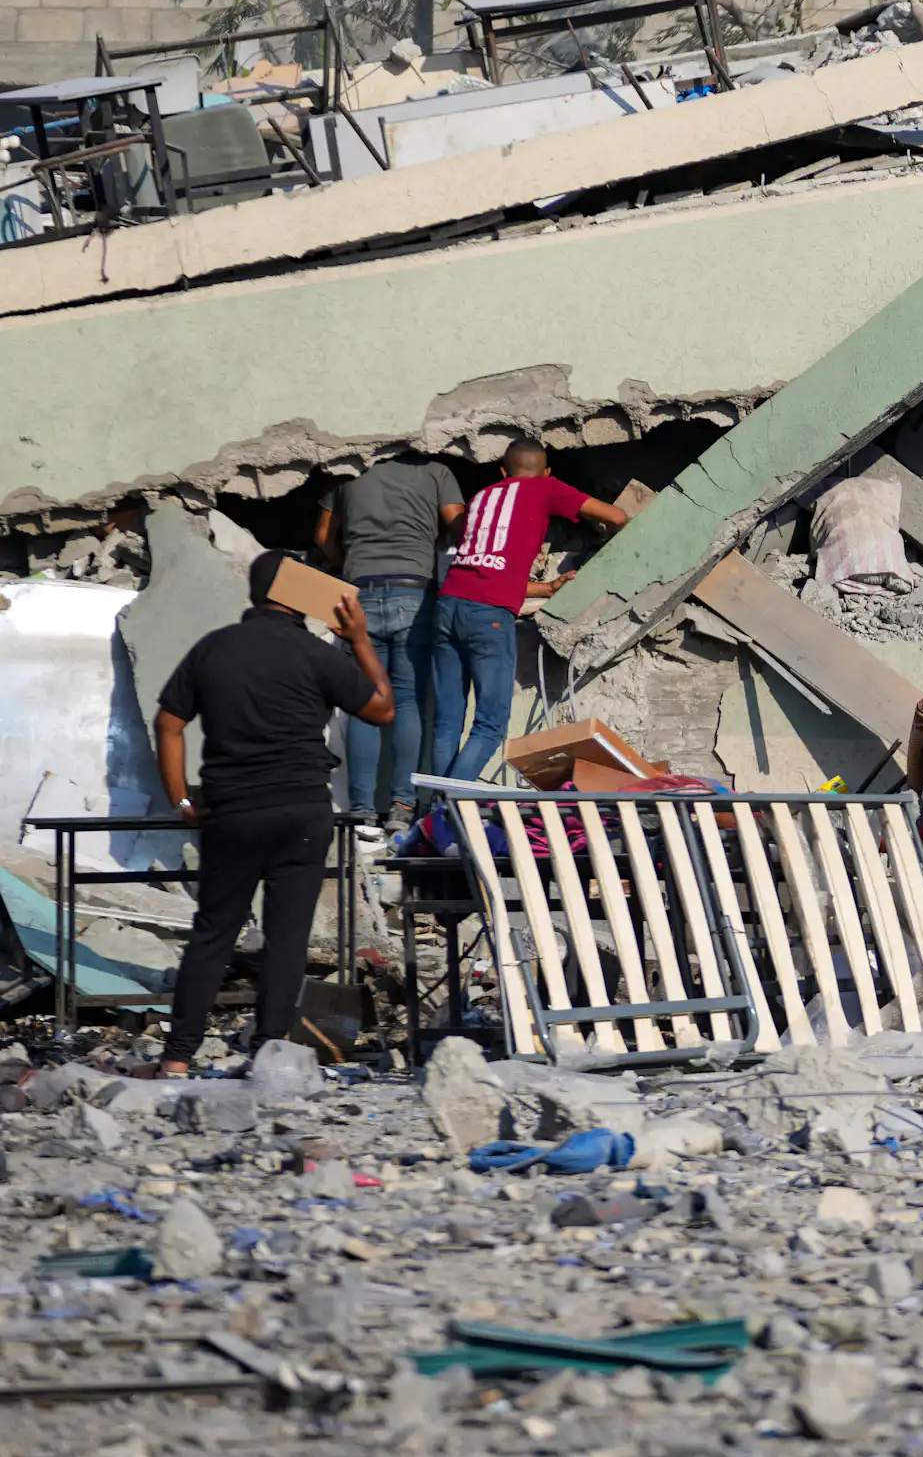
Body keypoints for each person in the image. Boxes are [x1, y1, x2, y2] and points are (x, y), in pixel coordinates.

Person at [154, 549, 393, 1078]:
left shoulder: (212, 649)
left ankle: (176, 1057)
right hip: (301, 813)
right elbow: (382, 709)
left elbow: (168, 722)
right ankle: (267, 1052)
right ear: (298, 594)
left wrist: (181, 799)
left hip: (232, 811)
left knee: (214, 931)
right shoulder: (316, 654)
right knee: (287, 937)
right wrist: (357, 639)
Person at [430, 441, 627, 784]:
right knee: (490, 726)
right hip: (487, 616)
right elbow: (617, 515)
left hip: (448, 605)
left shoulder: (480, 498)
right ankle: (445, 810)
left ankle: (430, 815)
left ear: (503, 472)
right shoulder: (545, 487)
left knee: (447, 720)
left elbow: (484, 572)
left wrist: (547, 589)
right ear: (547, 471)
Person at [314, 454, 463, 835]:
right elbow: (459, 525)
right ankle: (401, 807)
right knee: (408, 699)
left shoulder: (346, 473)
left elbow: (322, 537)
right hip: (414, 592)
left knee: (365, 702)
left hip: (359, 594)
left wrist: (350, 565)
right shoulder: (436, 472)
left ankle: (362, 811)